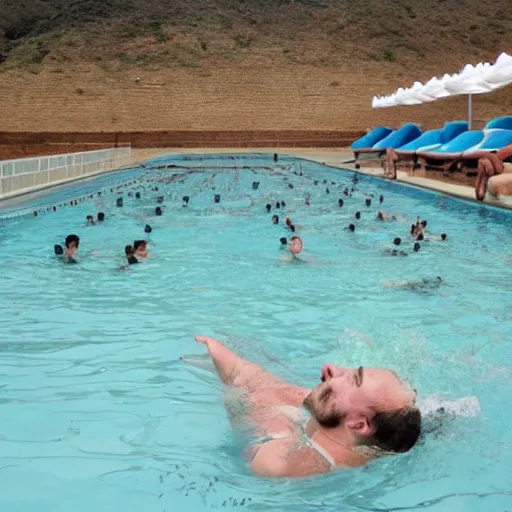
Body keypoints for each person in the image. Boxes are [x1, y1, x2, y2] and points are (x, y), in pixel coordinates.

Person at [190, 336, 420, 478]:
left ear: (359, 424)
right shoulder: (369, 439)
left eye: (352, 379)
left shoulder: (283, 462)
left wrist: (237, 376)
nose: (331, 368)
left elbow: (247, 388)